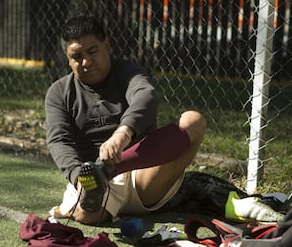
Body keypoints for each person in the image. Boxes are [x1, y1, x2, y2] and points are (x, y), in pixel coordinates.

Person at [45, 15, 207, 225]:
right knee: (87, 215)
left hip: (142, 175)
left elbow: (145, 97)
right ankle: (95, 183)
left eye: (92, 51)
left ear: (107, 45)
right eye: (76, 57)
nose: (86, 62)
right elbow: (59, 141)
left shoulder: (128, 73)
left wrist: (122, 134)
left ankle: (106, 171)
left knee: (193, 121)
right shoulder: (58, 92)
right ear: (68, 59)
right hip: (92, 183)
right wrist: (79, 179)